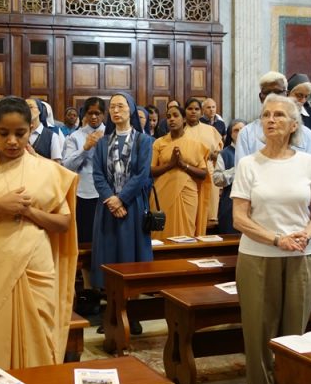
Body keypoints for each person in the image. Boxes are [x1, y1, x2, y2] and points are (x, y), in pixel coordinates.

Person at [0, 97, 78, 370]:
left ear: (30, 129)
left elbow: (64, 222)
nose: (11, 141)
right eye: (3, 133)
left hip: (35, 266)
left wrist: (30, 212)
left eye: (20, 133)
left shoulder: (46, 169)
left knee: (38, 338)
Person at [231, 94, 311, 384]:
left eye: (279, 115)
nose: (271, 120)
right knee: (259, 338)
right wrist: (276, 239)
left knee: (294, 338)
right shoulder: (249, 164)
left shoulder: (307, 163)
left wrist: (307, 234)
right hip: (258, 257)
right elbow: (239, 218)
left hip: (301, 257)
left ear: (293, 125)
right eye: (266, 115)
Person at [89, 93, 154, 290]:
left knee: (131, 254)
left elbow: (142, 174)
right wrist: (112, 199)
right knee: (108, 252)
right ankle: (109, 298)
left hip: (133, 205)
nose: (116, 111)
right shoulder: (102, 143)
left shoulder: (144, 141)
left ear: (131, 109)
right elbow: (98, 175)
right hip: (108, 207)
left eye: (120, 106)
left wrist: (122, 199)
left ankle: (133, 299)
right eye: (112, 107)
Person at [151, 105, 211, 238]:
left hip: (187, 194)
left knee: (186, 233)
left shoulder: (195, 144)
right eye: (168, 117)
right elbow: (151, 170)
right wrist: (171, 164)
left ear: (184, 119)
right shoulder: (159, 143)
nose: (171, 119)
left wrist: (183, 165)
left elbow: (203, 173)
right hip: (162, 193)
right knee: (160, 234)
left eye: (175, 116)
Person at [235, 72, 311, 164]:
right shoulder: (247, 134)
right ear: (261, 97)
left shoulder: (305, 134)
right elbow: (242, 169)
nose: (272, 97)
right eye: (267, 93)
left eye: (277, 92)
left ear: (286, 94)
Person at [62, 97, 106, 245]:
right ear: (85, 114)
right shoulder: (75, 137)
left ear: (103, 114)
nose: (94, 117)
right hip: (84, 193)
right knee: (86, 238)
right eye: (90, 113)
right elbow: (66, 166)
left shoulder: (111, 134)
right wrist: (85, 148)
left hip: (109, 193)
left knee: (106, 237)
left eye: (97, 113)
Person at [212, 119, 246, 235]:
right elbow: (217, 179)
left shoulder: (254, 152)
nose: (240, 133)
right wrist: (236, 170)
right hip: (230, 204)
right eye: (236, 130)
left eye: (242, 129)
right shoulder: (224, 154)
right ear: (231, 134)